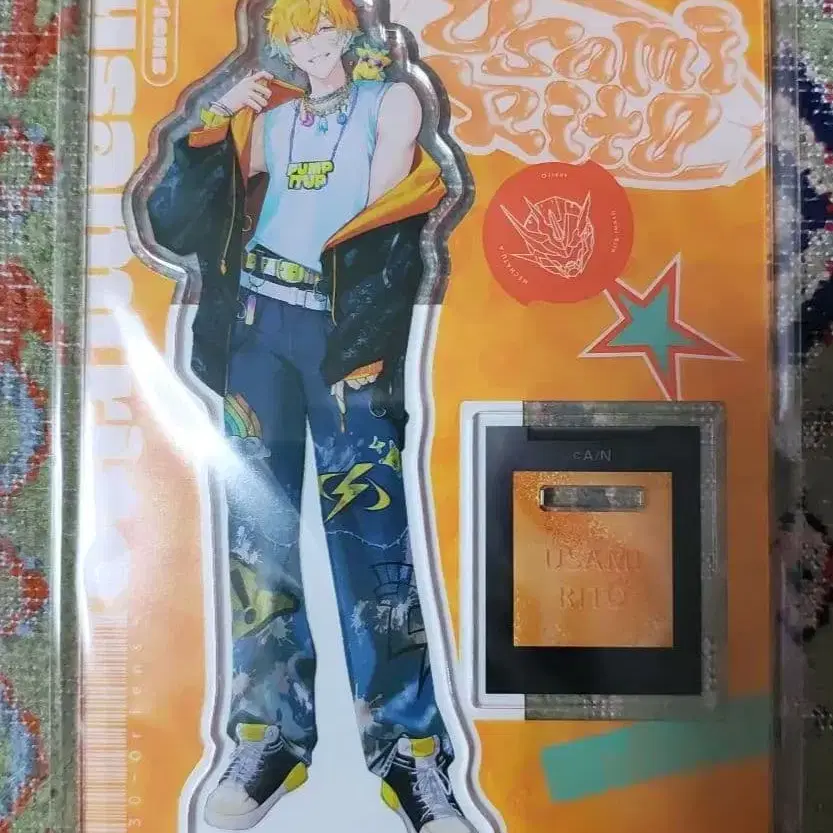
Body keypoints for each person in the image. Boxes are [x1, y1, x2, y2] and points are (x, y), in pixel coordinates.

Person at [145, 1, 476, 831]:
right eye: (294, 34)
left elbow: (376, 224)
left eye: (322, 27)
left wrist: (361, 337)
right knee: (258, 534)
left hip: (341, 338)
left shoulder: (391, 101)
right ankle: (270, 736)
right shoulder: (270, 122)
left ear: (348, 31)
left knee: (371, 532)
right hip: (259, 327)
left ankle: (408, 748)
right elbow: (178, 223)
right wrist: (210, 122)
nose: (309, 45)